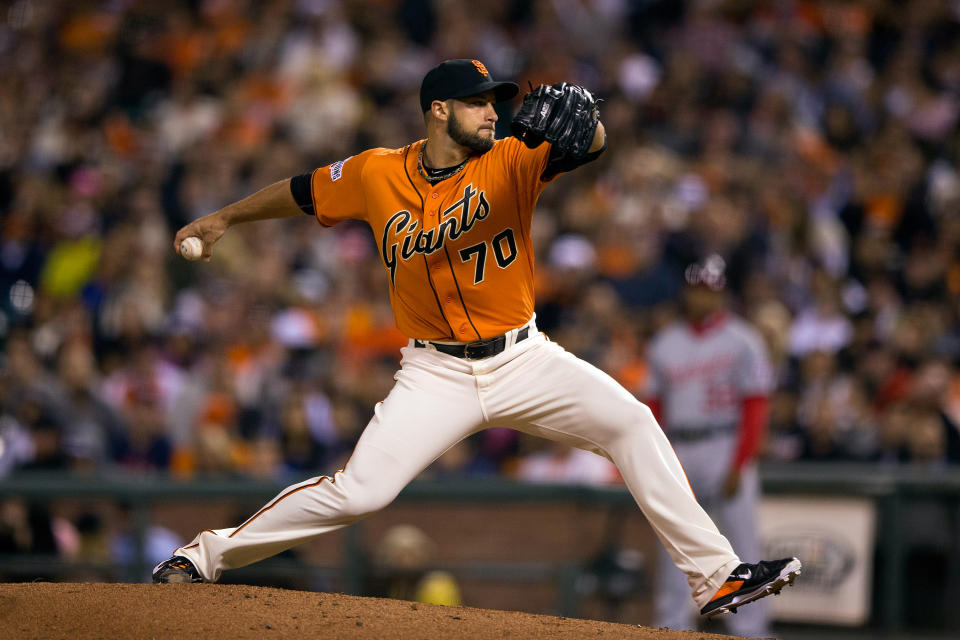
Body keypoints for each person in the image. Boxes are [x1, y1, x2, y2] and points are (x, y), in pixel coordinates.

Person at [152, 59, 800, 619]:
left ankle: (715, 576)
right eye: (479, 102)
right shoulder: (377, 173)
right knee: (361, 493)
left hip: (523, 357)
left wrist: (591, 120)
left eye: (497, 102)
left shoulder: (514, 160)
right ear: (438, 111)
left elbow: (591, 143)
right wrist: (223, 218)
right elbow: (303, 191)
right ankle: (200, 556)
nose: (495, 112)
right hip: (434, 374)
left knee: (631, 423)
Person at [644, 254, 778, 635]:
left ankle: (752, 628)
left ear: (722, 294)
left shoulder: (744, 340)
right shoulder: (664, 343)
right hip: (680, 447)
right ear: (687, 293)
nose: (703, 298)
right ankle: (671, 624)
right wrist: (659, 460)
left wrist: (740, 462)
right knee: (676, 541)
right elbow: (653, 410)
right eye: (696, 290)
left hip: (725, 441)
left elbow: (756, 406)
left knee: (742, 542)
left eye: (710, 291)